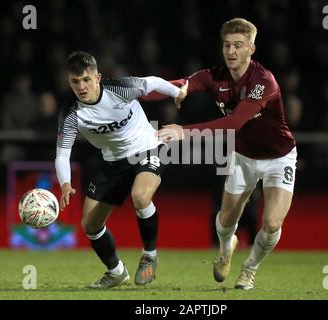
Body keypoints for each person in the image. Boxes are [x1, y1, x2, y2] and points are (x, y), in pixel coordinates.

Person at [156, 18, 297, 290]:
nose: (231, 51)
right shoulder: (214, 75)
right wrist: (182, 87)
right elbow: (189, 81)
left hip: (279, 158)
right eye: (227, 45)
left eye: (238, 46)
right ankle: (225, 248)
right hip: (243, 157)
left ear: (251, 49)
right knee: (225, 219)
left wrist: (183, 131)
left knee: (271, 223)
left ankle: (250, 268)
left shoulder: (263, 81)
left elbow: (233, 124)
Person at [55, 51, 188, 289]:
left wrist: (177, 92)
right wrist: (65, 183)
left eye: (86, 79)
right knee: (90, 225)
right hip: (113, 162)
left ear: (97, 77)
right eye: (75, 82)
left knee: (141, 196)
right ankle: (116, 272)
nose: (81, 86)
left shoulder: (119, 89)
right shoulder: (71, 114)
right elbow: (62, 154)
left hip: (148, 149)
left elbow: (152, 83)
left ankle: (149, 255)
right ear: (69, 81)